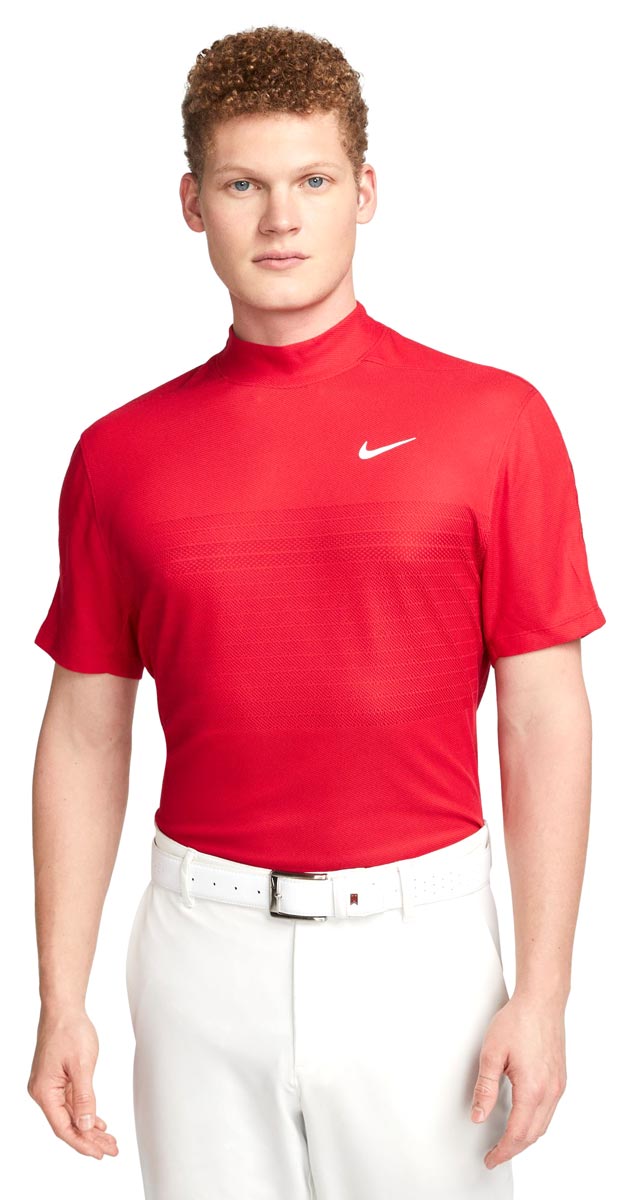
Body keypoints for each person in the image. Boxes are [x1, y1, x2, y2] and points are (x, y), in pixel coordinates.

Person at [27, 23, 606, 1200]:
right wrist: (59, 998)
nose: (279, 219)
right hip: (197, 950)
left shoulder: (493, 423)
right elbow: (86, 731)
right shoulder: (118, 455)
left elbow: (541, 715)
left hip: (422, 955)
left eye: (312, 181)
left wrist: (543, 992)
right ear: (191, 202)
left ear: (365, 192)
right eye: (243, 184)